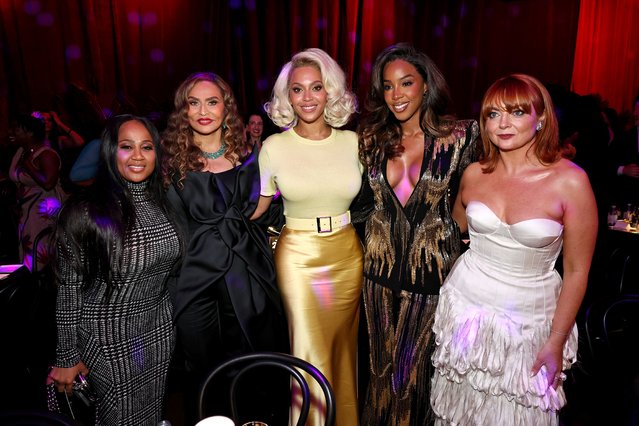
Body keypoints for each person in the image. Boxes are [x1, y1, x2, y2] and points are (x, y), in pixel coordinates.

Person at [430, 74, 597, 424]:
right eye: (493, 114)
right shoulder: (475, 174)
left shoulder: (571, 181)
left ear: (541, 119)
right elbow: (455, 229)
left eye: (517, 112)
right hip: (466, 313)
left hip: (528, 324)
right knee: (460, 411)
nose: (503, 123)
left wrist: (556, 340)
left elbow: (578, 271)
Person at [352, 43, 479, 425]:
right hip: (376, 279)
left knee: (414, 382)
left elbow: (472, 205)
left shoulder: (460, 137)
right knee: (376, 379)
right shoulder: (371, 139)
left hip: (431, 282)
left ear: (426, 85)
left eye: (406, 83)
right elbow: (360, 204)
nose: (396, 95)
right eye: (388, 87)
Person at [162, 72, 288, 425]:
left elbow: (271, 211)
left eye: (212, 102)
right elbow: (169, 226)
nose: (204, 111)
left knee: (254, 364)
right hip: (195, 281)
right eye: (194, 102)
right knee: (203, 370)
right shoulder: (172, 164)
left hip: (248, 272)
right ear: (183, 111)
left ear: (226, 108)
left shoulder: (252, 157)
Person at [251, 48, 363, 426]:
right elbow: (257, 207)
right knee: (309, 351)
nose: (308, 97)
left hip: (348, 253)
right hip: (298, 256)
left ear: (330, 91)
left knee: (345, 351)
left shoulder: (353, 143)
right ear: (287, 97)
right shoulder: (274, 148)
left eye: (316, 87)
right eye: (297, 90)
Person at [47, 115, 181, 424]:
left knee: (151, 413)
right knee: (120, 417)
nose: (137, 156)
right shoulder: (86, 211)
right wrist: (66, 356)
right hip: (108, 338)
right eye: (126, 146)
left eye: (146, 147)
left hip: (158, 329)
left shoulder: (163, 202)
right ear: (110, 151)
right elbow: (69, 289)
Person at [8, 114, 66, 271]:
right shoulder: (20, 152)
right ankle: (33, 286)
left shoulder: (46, 154)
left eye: (16, 129)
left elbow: (48, 183)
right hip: (27, 211)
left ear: (30, 133)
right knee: (29, 249)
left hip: (43, 211)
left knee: (41, 251)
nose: (11, 132)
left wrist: (28, 165)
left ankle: (46, 288)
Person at [609, 96, 639, 206]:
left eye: (638, 110)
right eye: (634, 109)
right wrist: (623, 170)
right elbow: (605, 163)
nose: (635, 114)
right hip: (628, 203)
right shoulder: (623, 137)